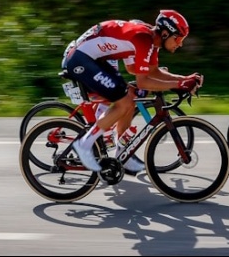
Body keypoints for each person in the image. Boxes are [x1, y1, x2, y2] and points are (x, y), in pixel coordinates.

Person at [63, 10, 203, 174]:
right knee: (123, 102)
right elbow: (143, 81)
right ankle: (84, 144)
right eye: (178, 38)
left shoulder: (152, 41)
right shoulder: (144, 39)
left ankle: (123, 153)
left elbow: (149, 71)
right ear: (165, 33)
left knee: (130, 96)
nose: (180, 44)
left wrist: (183, 79)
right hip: (80, 58)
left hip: (94, 59)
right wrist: (179, 84)